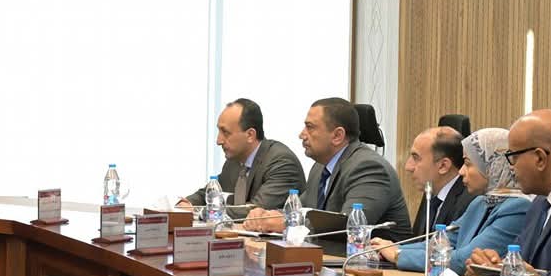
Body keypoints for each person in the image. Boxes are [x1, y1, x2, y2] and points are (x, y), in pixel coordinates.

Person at [245, 97, 410, 244]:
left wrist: (286, 224)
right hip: (331, 259)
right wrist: (268, 215)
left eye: (310, 127)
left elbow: (347, 228)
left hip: (379, 265)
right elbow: (300, 211)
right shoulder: (320, 167)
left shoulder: (369, 167)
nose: (301, 135)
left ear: (337, 136)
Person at [372, 127, 530, 274]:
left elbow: (464, 260)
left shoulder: (518, 208)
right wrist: (392, 248)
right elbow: (441, 243)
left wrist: (398, 255)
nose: (461, 171)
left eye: (467, 164)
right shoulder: (480, 203)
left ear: (493, 167)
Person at [467, 109, 551, 276]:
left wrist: (508, 274)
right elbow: (518, 261)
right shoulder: (540, 202)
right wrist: (489, 267)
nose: (511, 167)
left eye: (512, 157)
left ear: (540, 159)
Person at [180, 98, 303, 211]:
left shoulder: (282, 163)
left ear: (250, 135)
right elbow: (209, 193)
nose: (218, 141)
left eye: (225, 132)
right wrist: (186, 204)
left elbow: (255, 212)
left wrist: (198, 211)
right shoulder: (234, 161)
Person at [403, 126, 470, 232]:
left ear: (443, 166)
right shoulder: (431, 189)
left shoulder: (467, 203)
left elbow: (449, 242)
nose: (408, 167)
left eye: (416, 158)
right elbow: (421, 240)